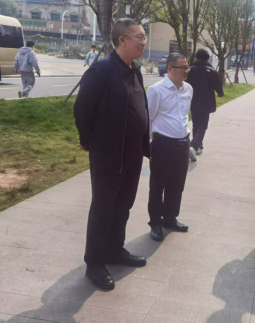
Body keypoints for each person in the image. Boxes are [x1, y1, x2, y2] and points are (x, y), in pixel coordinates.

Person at [74, 18, 151, 291]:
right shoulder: (102, 70)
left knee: (123, 206)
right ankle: (94, 262)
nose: (143, 42)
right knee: (104, 208)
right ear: (122, 40)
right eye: (138, 37)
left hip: (132, 154)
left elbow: (141, 108)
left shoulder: (135, 71)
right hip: (108, 155)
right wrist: (90, 141)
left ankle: (115, 250)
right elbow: (82, 109)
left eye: (144, 37)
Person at [147, 53, 193, 242]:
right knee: (158, 186)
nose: (186, 70)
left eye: (187, 67)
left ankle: (170, 218)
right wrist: (147, 145)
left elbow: (184, 115)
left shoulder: (188, 89)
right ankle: (155, 223)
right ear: (170, 69)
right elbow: (148, 118)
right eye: (182, 67)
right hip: (162, 144)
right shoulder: (156, 90)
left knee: (177, 185)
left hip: (182, 144)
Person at [186, 49, 224, 159]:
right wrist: (220, 93)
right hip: (206, 103)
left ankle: (198, 146)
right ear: (207, 58)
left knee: (196, 124)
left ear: (196, 57)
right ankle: (194, 146)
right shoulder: (211, 71)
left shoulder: (190, 70)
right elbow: (219, 87)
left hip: (193, 101)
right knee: (203, 126)